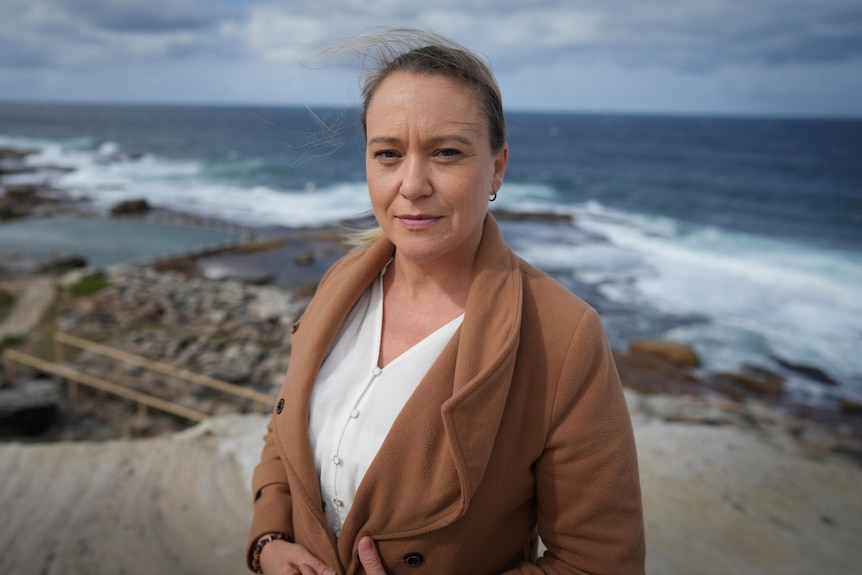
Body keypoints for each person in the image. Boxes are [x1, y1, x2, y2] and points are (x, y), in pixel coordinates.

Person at [247, 28, 645, 575]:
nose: (412, 184)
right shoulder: (341, 285)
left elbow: (601, 561)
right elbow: (285, 426)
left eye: (447, 153)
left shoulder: (565, 335)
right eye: (388, 153)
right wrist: (268, 539)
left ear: (497, 168)